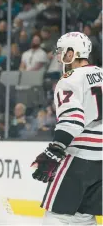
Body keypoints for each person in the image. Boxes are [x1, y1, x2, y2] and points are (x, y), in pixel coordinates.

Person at [31, 32, 102, 225]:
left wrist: (55, 150)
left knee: (57, 216)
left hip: (77, 157)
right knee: (85, 218)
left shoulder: (70, 79)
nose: (59, 54)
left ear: (73, 52)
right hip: (101, 161)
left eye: (63, 50)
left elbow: (72, 120)